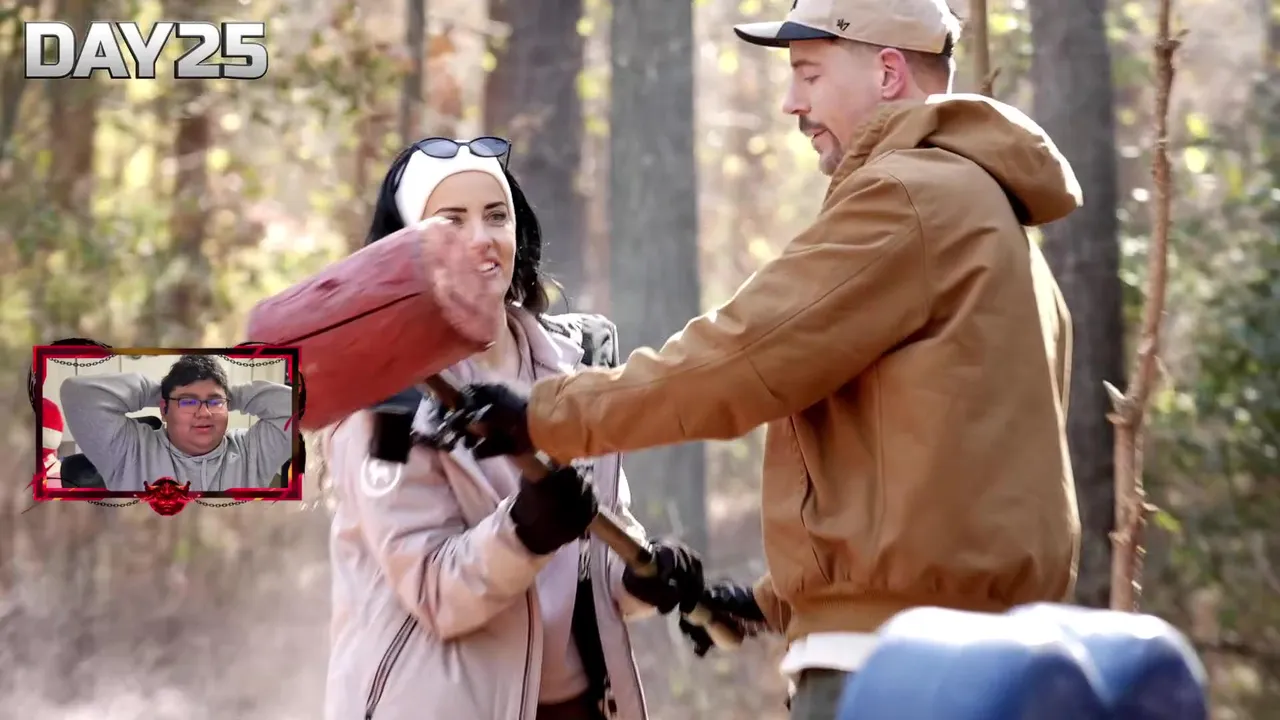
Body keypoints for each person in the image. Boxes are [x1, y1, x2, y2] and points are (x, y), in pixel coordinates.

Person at [453, 0, 1083, 716]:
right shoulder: (992, 218)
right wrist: (772, 601)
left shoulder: (907, 198)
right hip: (984, 660)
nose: (791, 103)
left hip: (894, 666)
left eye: (809, 75)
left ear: (887, 73)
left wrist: (542, 416)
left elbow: (738, 360)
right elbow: (954, 470)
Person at [322, 137, 705, 720]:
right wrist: (523, 530)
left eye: (496, 216)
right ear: (404, 251)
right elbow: (434, 591)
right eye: (451, 221)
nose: (482, 237)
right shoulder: (387, 399)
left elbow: (591, 551)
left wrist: (637, 578)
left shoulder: (575, 369)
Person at [59, 354, 293, 492]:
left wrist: (231, 395)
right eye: (188, 402)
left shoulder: (252, 451)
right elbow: (78, 394)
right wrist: (161, 393)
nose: (204, 413)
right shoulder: (129, 451)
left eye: (214, 402)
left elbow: (297, 407)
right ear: (163, 409)